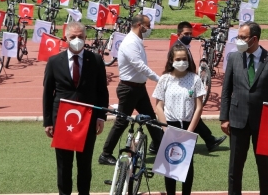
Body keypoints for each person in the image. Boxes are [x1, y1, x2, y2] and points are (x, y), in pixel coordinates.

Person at [43, 21, 109, 195]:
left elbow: (102, 91)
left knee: (84, 164)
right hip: (63, 120)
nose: (77, 40)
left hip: (88, 119)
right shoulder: (54, 61)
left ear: (86, 38)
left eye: (80, 37)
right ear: (66, 38)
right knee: (64, 165)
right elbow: (48, 94)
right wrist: (48, 121)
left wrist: (101, 117)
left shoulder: (95, 59)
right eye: (73, 37)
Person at [220, 21, 268, 195]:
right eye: (238, 36)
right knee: (235, 167)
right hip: (237, 119)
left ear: (254, 39)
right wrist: (224, 118)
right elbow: (226, 90)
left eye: (242, 37)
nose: (238, 40)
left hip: (264, 123)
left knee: (264, 166)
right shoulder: (233, 57)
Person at [99, 14, 162, 165]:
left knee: (151, 118)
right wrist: (159, 79)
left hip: (138, 89)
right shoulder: (130, 43)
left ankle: (161, 145)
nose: (149, 29)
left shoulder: (137, 40)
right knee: (122, 122)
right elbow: (139, 65)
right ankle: (105, 154)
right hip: (129, 89)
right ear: (140, 25)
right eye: (147, 25)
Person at [153, 44, 205, 195]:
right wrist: (166, 129)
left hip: (188, 126)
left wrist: (189, 131)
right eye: (178, 59)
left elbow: (199, 107)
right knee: (170, 165)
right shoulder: (164, 79)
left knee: (187, 164)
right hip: (169, 126)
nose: (182, 62)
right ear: (171, 60)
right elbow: (158, 107)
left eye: (184, 59)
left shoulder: (195, 79)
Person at [173, 21, 227, 151]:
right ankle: (209, 140)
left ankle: (210, 140)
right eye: (186, 34)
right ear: (179, 34)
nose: (189, 36)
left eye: (191, 34)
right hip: (183, 87)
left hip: (187, 86)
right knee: (187, 115)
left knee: (191, 115)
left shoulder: (184, 46)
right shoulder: (177, 49)